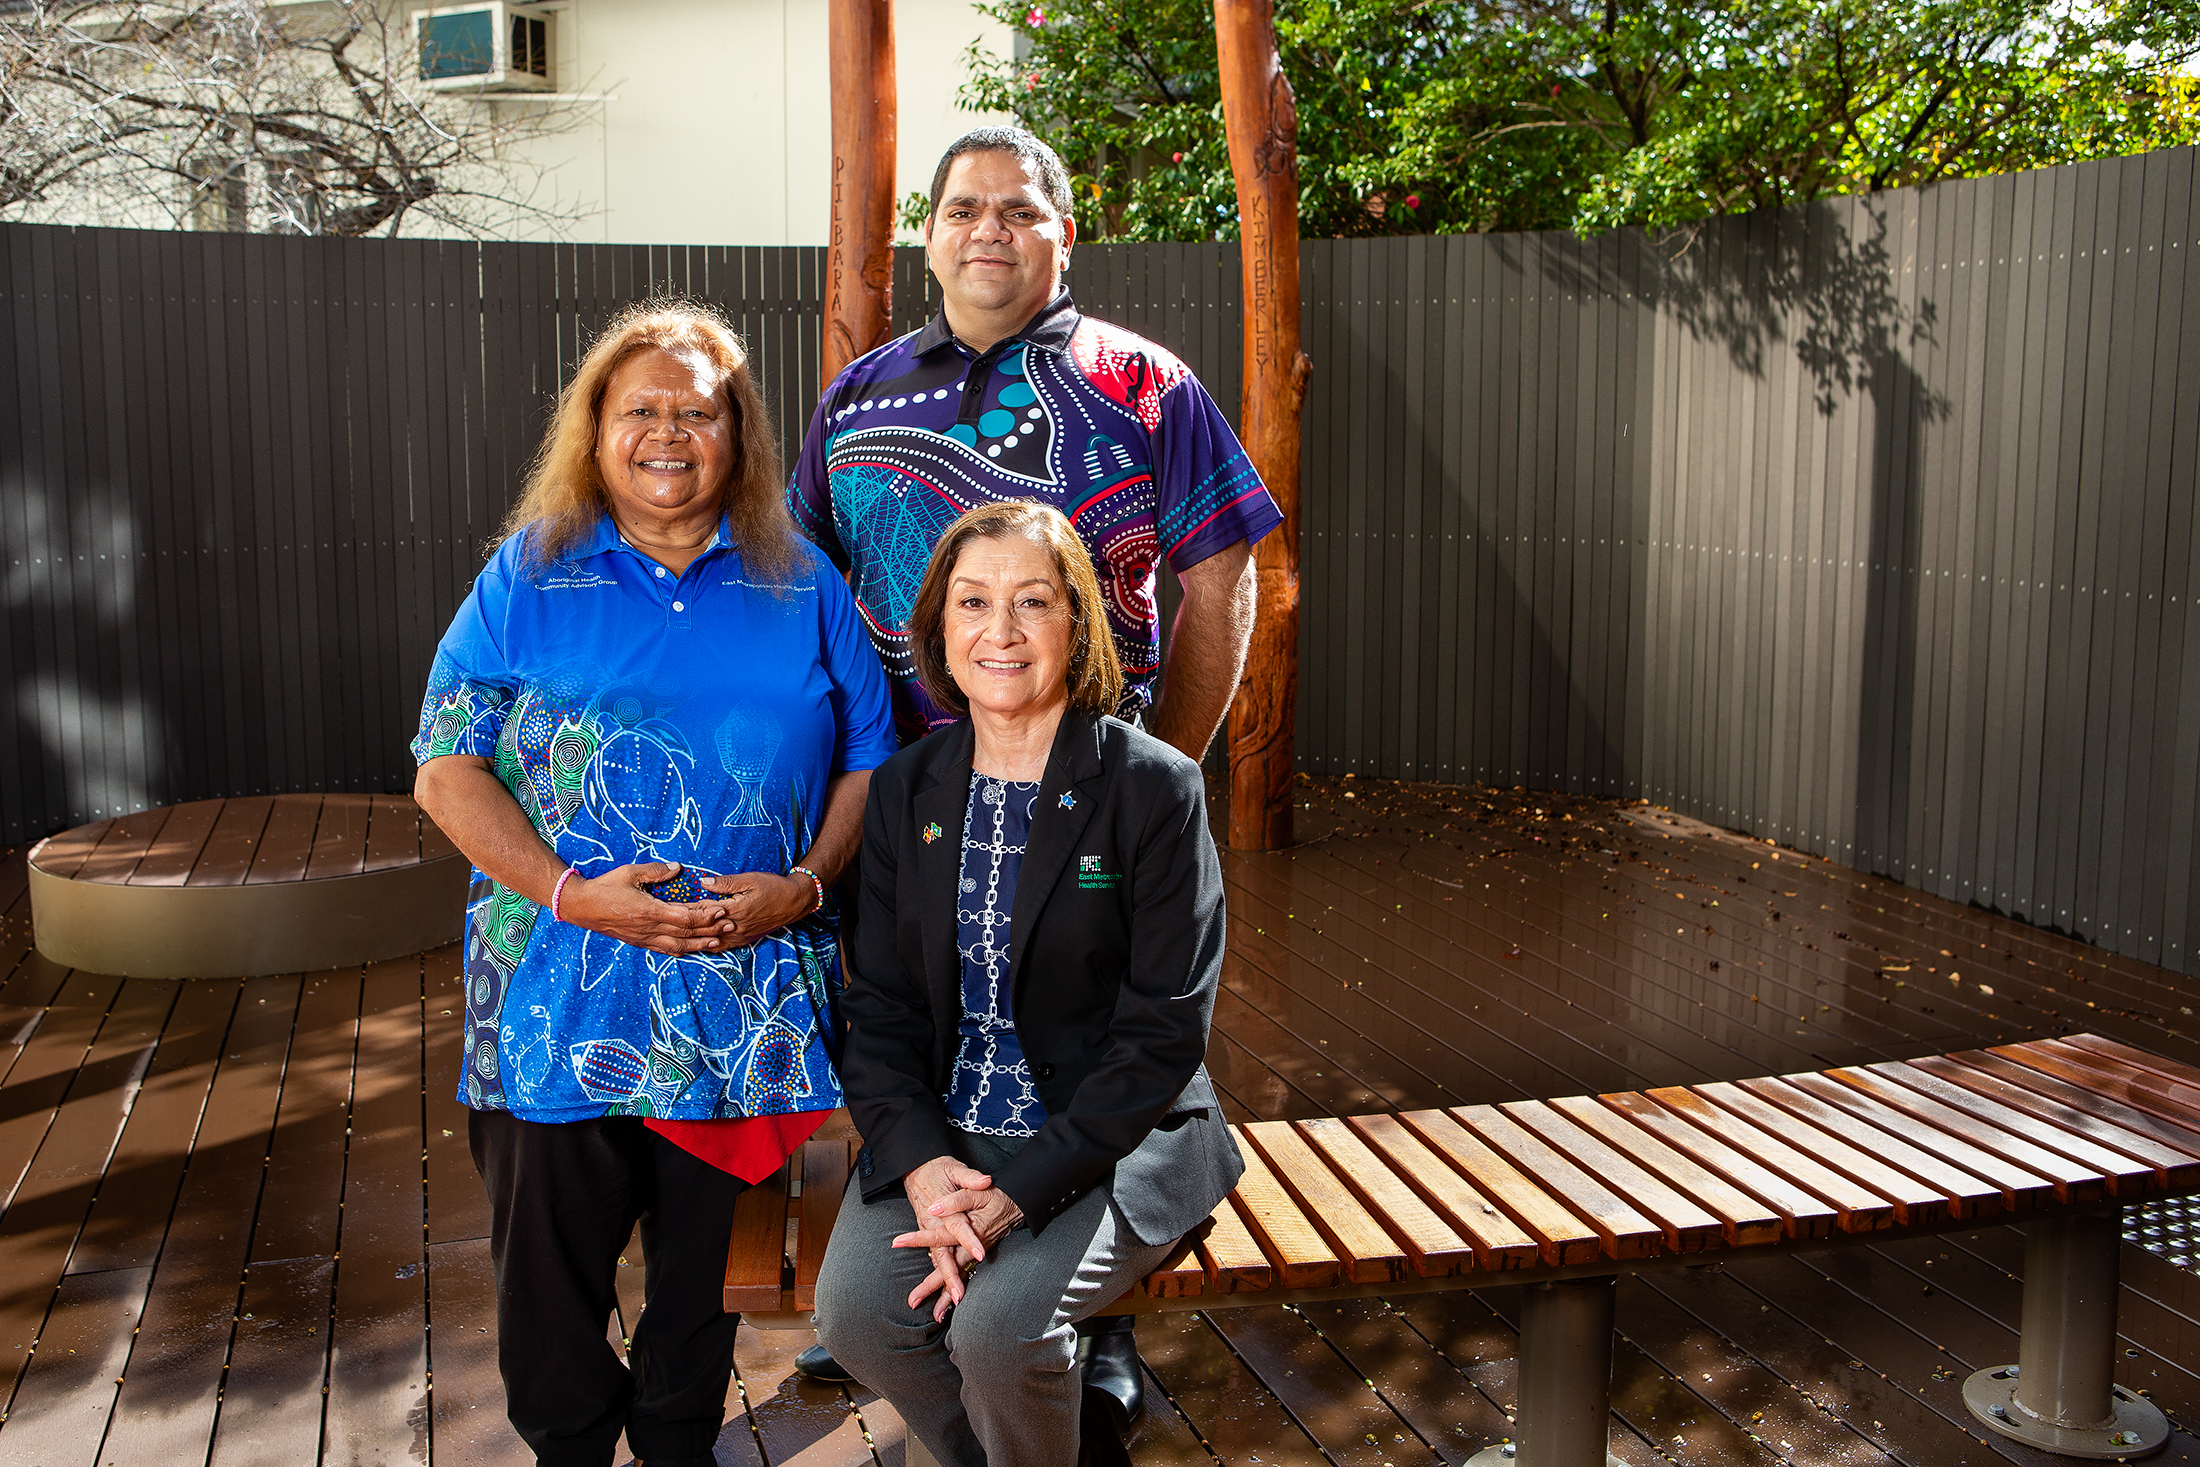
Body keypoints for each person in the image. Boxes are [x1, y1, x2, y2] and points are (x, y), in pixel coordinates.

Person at [786, 121, 1281, 1425]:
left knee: (1086, 1020)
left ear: (1068, 231)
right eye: (962, 209)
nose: (988, 229)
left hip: (1085, 799)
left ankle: (1081, 1318)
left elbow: (1220, 574)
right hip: (907, 807)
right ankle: (918, 1271)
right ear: (929, 233)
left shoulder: (1146, 384)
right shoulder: (856, 395)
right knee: (909, 1023)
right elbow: (806, 599)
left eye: (1019, 209)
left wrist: (1150, 771)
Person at [412, 301, 897, 1467]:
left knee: (702, 1280)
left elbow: (869, 763)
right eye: (641, 409)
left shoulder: (802, 578)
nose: (670, 433)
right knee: (550, 1284)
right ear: (595, 430)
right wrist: (573, 892)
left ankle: (680, 1444)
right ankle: (570, 1449)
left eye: (699, 410)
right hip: (552, 1000)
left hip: (748, 1004)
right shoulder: (528, 575)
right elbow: (444, 769)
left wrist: (803, 888)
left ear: (742, 433)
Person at [811, 501, 1242, 1467]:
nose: (998, 631)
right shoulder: (905, 790)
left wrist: (1012, 1195)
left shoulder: (1154, 788)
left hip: (1108, 1134)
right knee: (857, 1319)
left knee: (998, 1333)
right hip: (948, 1132)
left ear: (1076, 625)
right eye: (973, 602)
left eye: (1031, 602)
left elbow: (1162, 1037)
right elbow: (876, 1008)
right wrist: (924, 1168)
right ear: (940, 630)